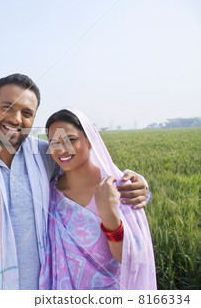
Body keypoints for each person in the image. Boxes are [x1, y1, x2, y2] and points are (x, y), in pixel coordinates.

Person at [0, 73, 151, 290]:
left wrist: (135, 183)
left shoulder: (46, 155)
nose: (16, 119)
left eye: (27, 113)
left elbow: (90, 170)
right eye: (7, 107)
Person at [39, 108, 156, 290]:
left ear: (90, 141)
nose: (62, 149)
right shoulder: (50, 193)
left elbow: (131, 260)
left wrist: (109, 215)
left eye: (71, 140)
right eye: (54, 143)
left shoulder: (119, 187)